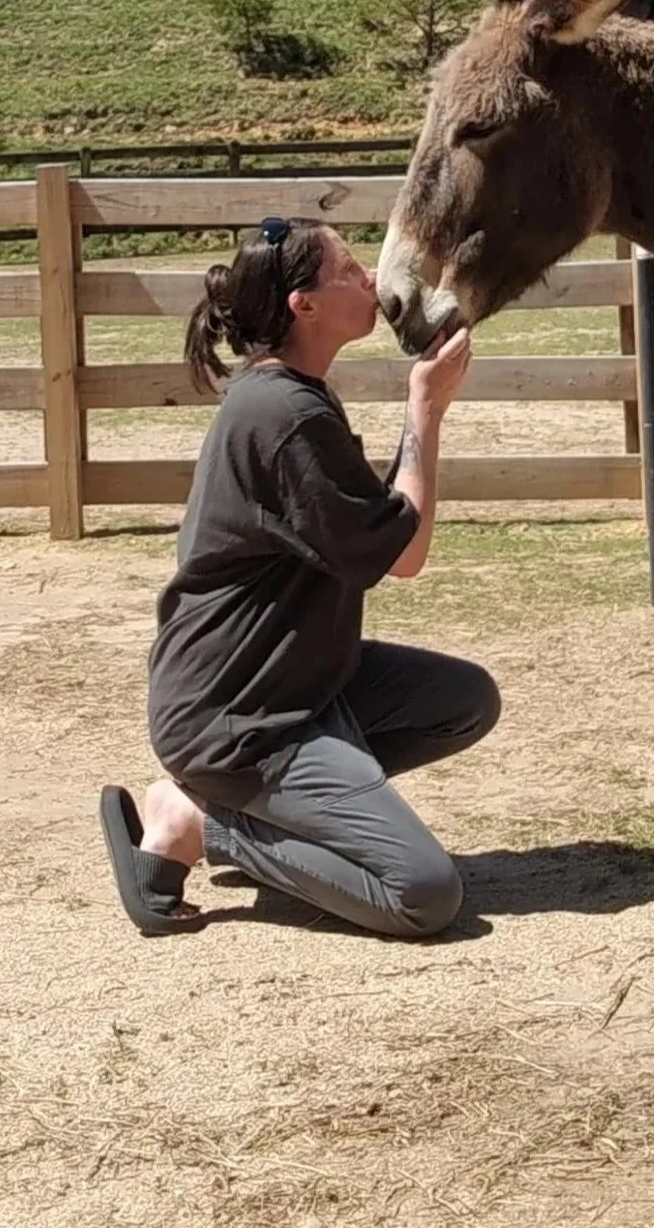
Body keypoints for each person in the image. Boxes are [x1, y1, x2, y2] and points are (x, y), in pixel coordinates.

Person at [98, 214, 495, 937]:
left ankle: (276, 817)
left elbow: (380, 530)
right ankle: (198, 823)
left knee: (464, 701)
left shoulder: (291, 395)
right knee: (424, 893)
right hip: (241, 719)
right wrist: (426, 408)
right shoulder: (281, 415)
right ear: (302, 305)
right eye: (348, 269)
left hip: (300, 688)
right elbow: (404, 555)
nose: (371, 278)